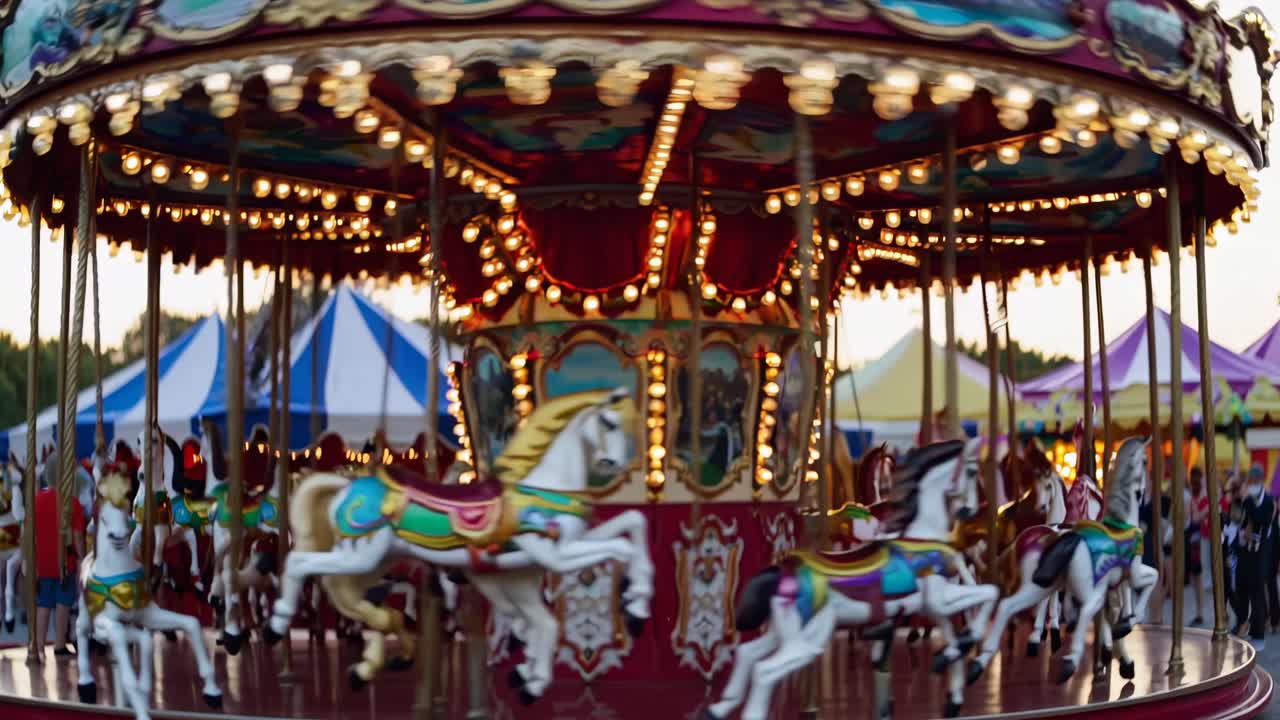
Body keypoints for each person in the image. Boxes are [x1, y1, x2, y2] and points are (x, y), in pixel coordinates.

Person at [33, 452, 86, 659]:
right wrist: (82, 556)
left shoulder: (37, 500)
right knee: (63, 602)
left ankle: (38, 646)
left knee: (44, 603)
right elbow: (77, 537)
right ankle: (59, 644)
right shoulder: (72, 504)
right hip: (64, 560)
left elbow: (31, 533)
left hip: (43, 561)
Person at [1239, 463, 1274, 649]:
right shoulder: (1247, 501)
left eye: (1253, 480)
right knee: (1244, 588)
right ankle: (1246, 625)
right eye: (1249, 480)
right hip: (1246, 550)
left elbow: (1262, 520)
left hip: (1262, 551)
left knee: (1258, 592)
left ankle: (1259, 634)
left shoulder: (1268, 501)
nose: (1250, 483)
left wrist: (1251, 511)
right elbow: (1243, 521)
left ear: (1260, 480)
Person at [1188, 468, 1208, 625]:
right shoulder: (1194, 494)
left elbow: (1195, 517)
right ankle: (1198, 610)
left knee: (1197, 577)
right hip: (1193, 538)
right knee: (1196, 578)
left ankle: (1199, 611)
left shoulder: (1199, 495)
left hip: (1195, 539)